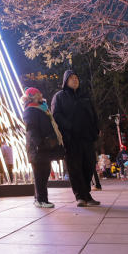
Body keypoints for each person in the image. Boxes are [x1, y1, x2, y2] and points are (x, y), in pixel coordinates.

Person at [51, 70, 100, 207]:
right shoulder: (59, 97)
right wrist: (70, 126)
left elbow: (93, 113)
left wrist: (96, 128)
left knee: (89, 165)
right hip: (71, 139)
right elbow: (56, 116)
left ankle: (86, 193)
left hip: (87, 137)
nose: (75, 80)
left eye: (76, 78)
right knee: (75, 168)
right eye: (71, 78)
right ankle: (81, 196)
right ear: (65, 81)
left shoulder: (85, 95)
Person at [21, 87, 62, 208]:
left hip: (44, 147)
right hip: (37, 148)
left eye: (40, 93)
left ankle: (39, 198)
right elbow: (31, 129)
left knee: (45, 173)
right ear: (32, 97)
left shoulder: (43, 109)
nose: (40, 95)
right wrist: (40, 143)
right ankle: (41, 199)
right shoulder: (30, 110)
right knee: (40, 174)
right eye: (38, 94)